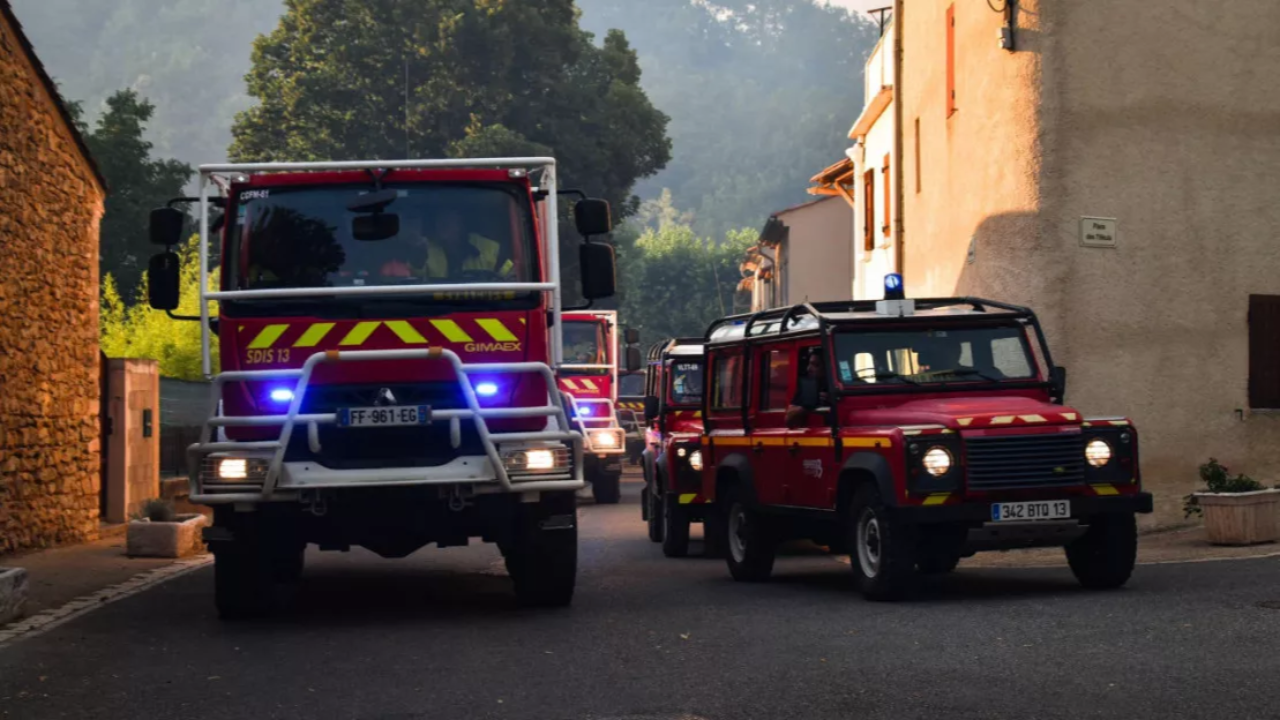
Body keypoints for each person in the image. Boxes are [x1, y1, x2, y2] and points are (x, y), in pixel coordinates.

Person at [381, 205, 513, 281]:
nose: (442, 223)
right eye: (439, 218)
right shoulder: (426, 249)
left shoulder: (489, 247)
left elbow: (511, 277)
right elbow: (415, 277)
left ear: (462, 222)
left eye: (449, 218)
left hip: (483, 307)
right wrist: (418, 253)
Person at [786, 349, 830, 428]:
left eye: (815, 365)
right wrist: (809, 405)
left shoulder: (840, 387)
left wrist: (831, 401)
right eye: (809, 364)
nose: (809, 369)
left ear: (827, 367)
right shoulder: (807, 387)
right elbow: (789, 419)